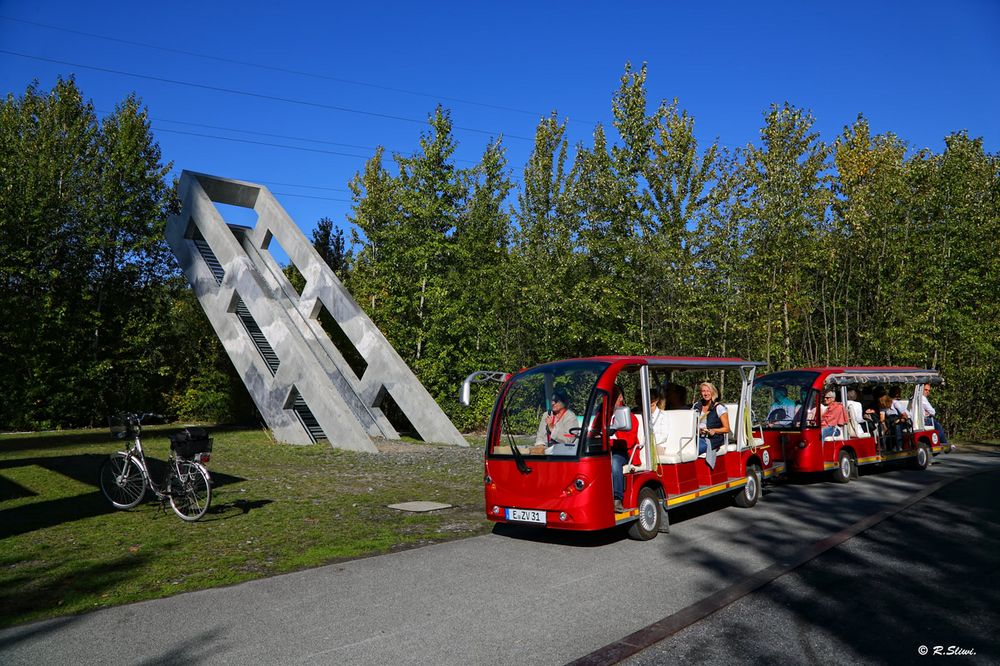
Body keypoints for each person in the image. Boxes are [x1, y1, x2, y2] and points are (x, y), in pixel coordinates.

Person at [609, 386, 639, 513]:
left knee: (615, 462)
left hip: (623, 451)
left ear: (620, 398)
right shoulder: (603, 415)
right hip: (605, 450)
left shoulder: (629, 417)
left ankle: (617, 498)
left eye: (613, 396)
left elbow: (629, 441)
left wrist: (611, 437)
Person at [694, 382, 729, 470]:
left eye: (708, 391)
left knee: (695, 448)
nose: (705, 393)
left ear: (713, 392)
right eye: (703, 391)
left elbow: (727, 428)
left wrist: (713, 430)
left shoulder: (719, 407)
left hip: (713, 438)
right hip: (698, 436)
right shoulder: (697, 406)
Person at [534, 390, 577, 454]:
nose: (552, 403)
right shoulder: (547, 415)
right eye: (552, 400)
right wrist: (540, 445)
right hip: (547, 453)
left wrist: (552, 429)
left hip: (564, 454)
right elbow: (540, 436)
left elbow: (568, 440)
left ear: (564, 402)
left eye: (556, 400)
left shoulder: (570, 417)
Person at [922, 384, 954, 452]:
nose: (927, 392)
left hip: (920, 419)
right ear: (921, 389)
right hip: (925, 420)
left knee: (936, 424)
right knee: (938, 426)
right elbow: (933, 412)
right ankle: (944, 444)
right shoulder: (923, 398)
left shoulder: (914, 397)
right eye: (925, 389)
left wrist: (928, 412)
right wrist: (929, 412)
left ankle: (941, 443)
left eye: (928, 390)